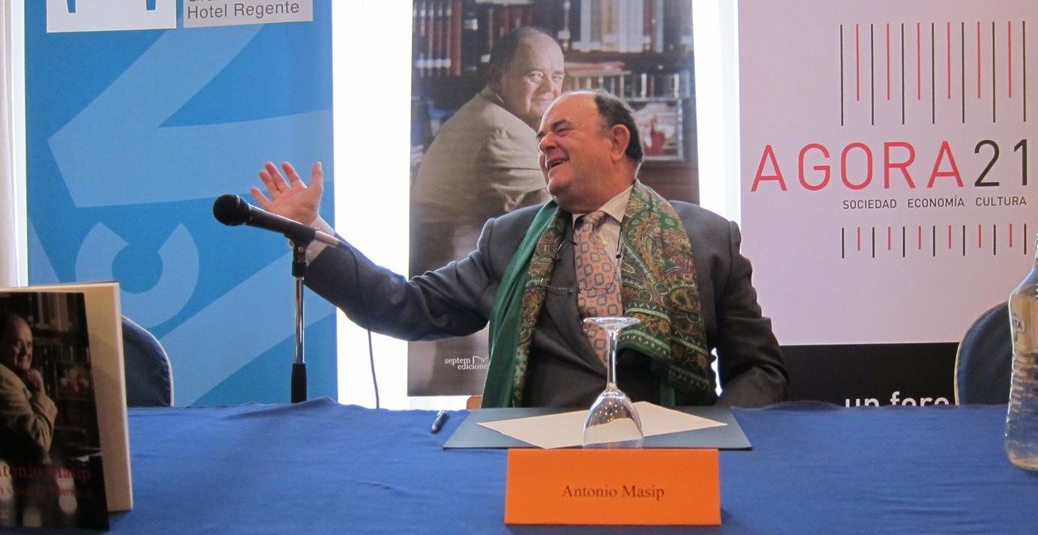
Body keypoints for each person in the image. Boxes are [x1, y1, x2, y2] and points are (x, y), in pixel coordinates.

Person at [251, 90, 789, 409]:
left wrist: (715, 437)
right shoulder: (509, 239)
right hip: (537, 463)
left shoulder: (708, 238)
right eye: (539, 137)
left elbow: (761, 371)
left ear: (617, 142)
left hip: (675, 464)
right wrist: (311, 232)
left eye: (561, 130)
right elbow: (406, 305)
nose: (544, 143)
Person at [408, 26, 565, 392]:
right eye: (535, 75)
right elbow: (565, 220)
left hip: (455, 311)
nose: (550, 88)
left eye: (557, 76)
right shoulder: (500, 131)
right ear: (497, 76)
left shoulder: (490, 116)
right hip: (463, 326)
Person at [0, 311, 58, 464]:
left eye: (29, 345)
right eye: (18, 343)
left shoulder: (16, 378)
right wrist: (39, 391)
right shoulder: (4, 379)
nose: (26, 352)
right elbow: (39, 442)